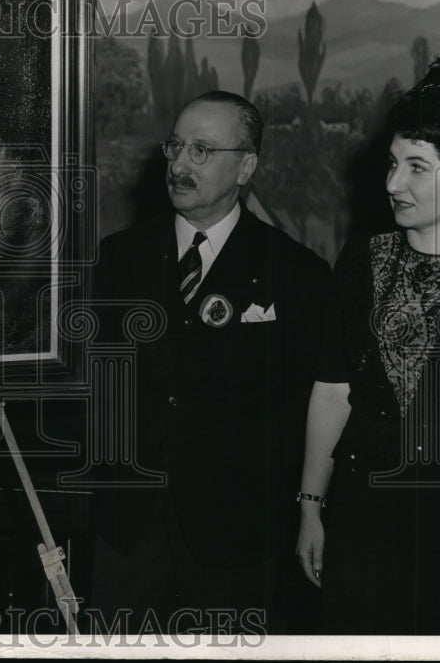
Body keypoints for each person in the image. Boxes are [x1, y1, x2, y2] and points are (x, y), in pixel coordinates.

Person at [90, 91, 331, 634]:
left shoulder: (297, 275)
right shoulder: (117, 259)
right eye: (176, 146)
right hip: (127, 529)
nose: (178, 165)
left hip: (236, 537)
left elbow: (311, 405)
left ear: (246, 165)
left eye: (202, 151)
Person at [295, 45, 440, 635]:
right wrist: (310, 507)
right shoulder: (362, 259)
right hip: (364, 515)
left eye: (416, 166)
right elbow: (333, 389)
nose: (393, 182)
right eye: (391, 163)